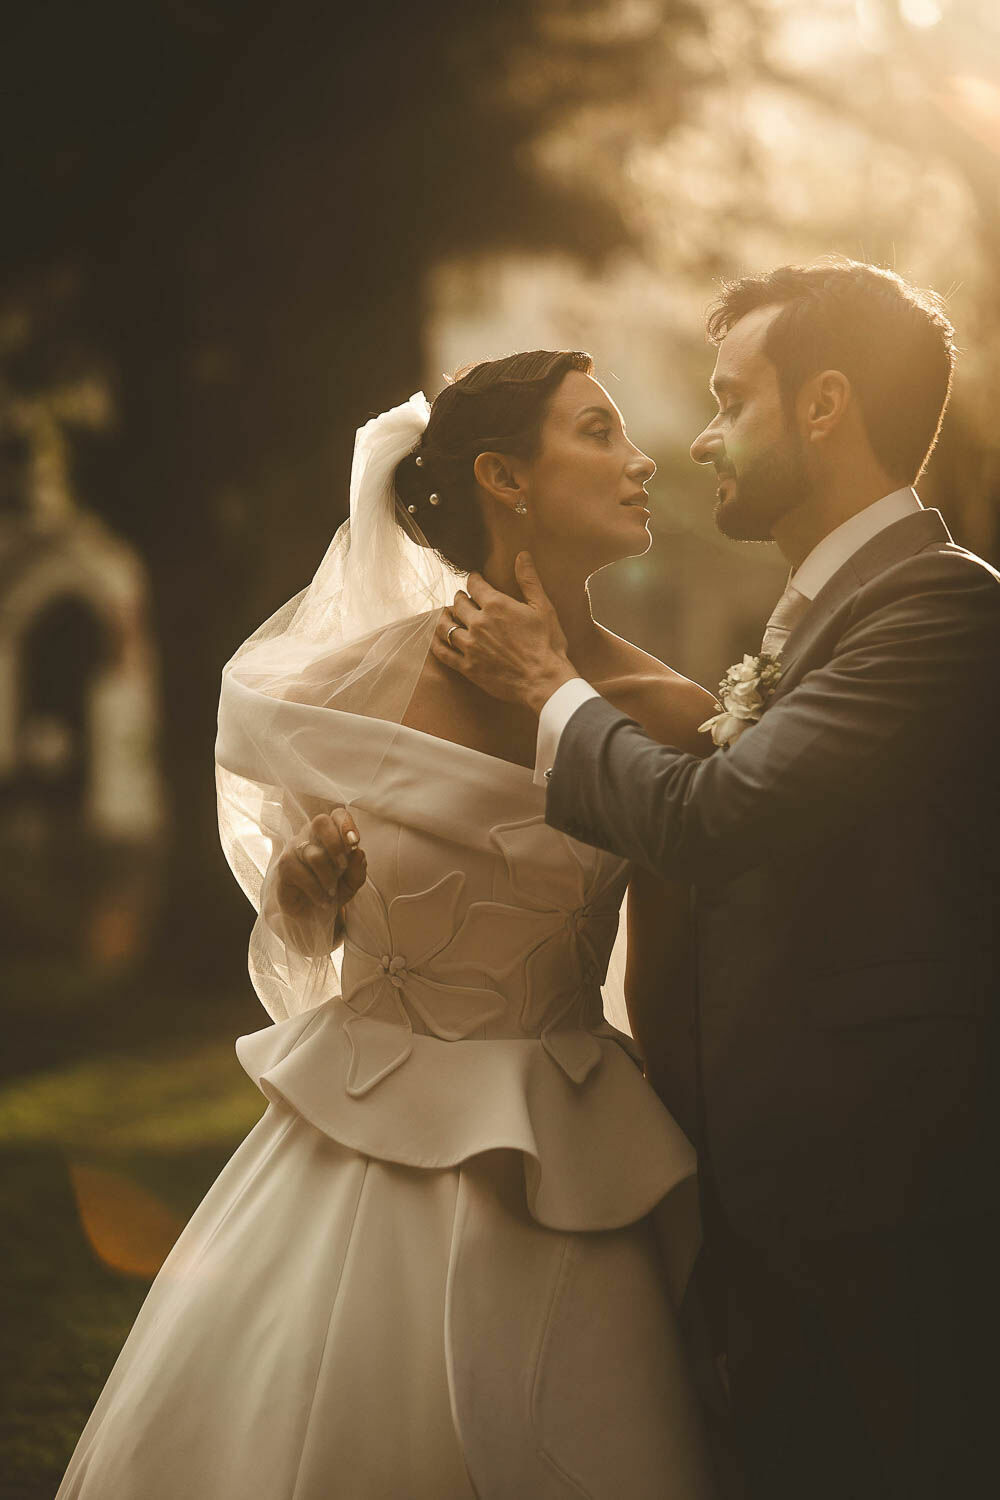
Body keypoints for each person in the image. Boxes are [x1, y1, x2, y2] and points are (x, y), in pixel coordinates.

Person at [55, 352, 724, 1500]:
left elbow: (660, 989)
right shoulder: (354, 685)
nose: (641, 457)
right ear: (503, 477)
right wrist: (309, 888)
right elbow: (304, 928)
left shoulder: (672, 716)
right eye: (599, 431)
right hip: (361, 1150)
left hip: (564, 1167)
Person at [433, 260, 999, 1500]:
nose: (696, 440)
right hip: (782, 1213)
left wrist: (548, 689)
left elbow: (716, 814)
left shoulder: (941, 612)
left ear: (823, 406)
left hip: (883, 1209)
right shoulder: (827, 613)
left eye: (728, 399)